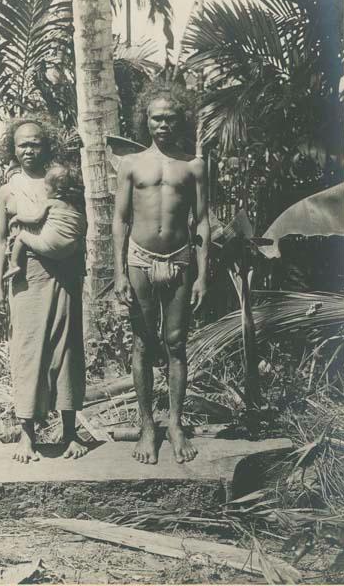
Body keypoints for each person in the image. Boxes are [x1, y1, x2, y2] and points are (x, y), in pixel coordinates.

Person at [112, 92, 210, 465]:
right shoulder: (131, 164)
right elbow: (121, 220)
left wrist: (202, 274)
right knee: (142, 341)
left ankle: (175, 424)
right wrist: (119, 271)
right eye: (156, 119)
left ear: (179, 121)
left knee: (176, 343)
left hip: (181, 259)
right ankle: (147, 425)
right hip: (139, 258)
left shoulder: (194, 167)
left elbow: (201, 221)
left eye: (170, 118)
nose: (163, 125)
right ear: (146, 121)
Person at [0, 120, 87, 463]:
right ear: (12, 149)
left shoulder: (59, 181)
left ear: (47, 147)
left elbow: (75, 223)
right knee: (28, 350)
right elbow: (0, 240)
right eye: (21, 145)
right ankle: (26, 436)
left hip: (63, 272)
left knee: (67, 347)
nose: (28, 151)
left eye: (35, 144)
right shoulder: (8, 189)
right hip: (25, 276)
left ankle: (70, 433)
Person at [3, 164, 86, 280]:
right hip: (69, 251)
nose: (45, 192)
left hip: (50, 245)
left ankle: (13, 265)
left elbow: (35, 219)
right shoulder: (77, 209)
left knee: (21, 237)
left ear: (57, 193)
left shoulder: (51, 203)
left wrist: (17, 218)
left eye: (46, 189)